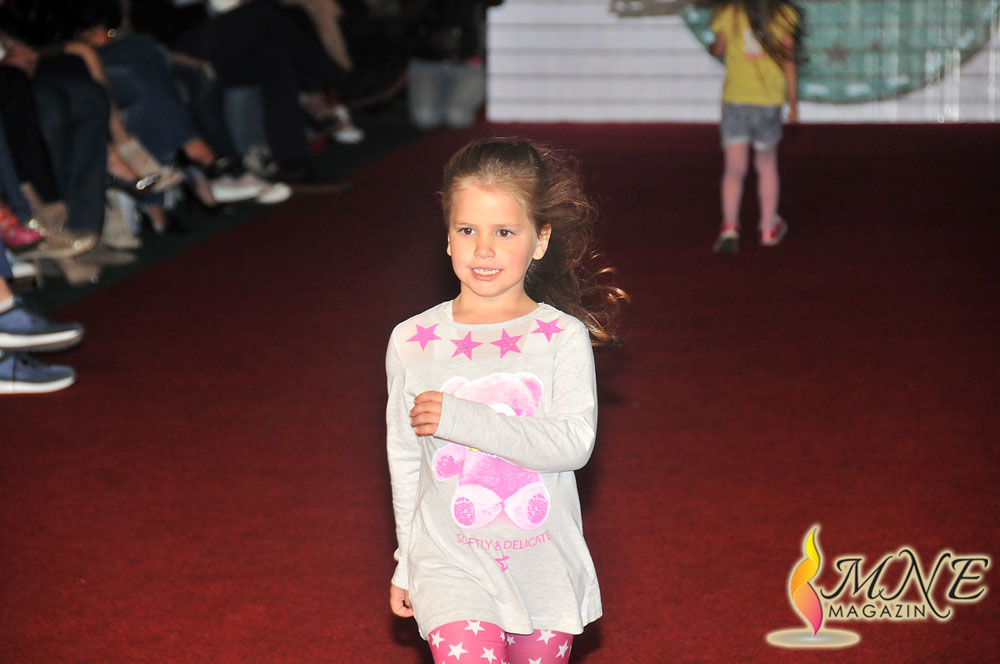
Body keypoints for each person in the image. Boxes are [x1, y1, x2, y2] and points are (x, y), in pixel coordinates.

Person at [386, 138, 625, 663]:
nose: (483, 249)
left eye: (504, 232)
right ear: (447, 237)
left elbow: (572, 444)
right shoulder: (413, 340)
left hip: (541, 568)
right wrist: (407, 560)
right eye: (467, 230)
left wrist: (462, 418)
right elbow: (406, 461)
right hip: (451, 564)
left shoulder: (560, 337)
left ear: (540, 240)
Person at [708, 0, 801, 254]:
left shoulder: (729, 12)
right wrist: (793, 101)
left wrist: (712, 47)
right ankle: (768, 228)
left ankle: (729, 228)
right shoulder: (783, 13)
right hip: (768, 101)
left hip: (736, 98)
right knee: (766, 165)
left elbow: (719, 48)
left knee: (734, 169)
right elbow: (789, 60)